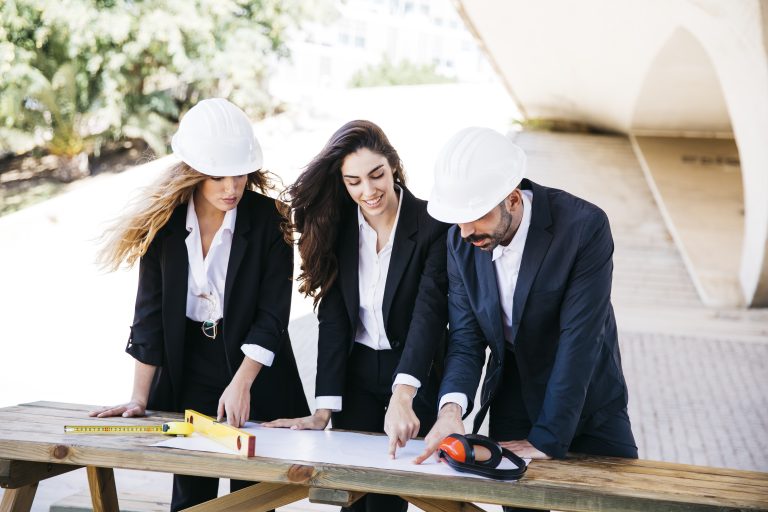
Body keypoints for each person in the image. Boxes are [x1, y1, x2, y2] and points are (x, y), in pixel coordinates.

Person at [91, 98, 309, 511]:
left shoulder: (271, 220)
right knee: (191, 495)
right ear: (193, 172)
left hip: (255, 370)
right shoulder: (164, 224)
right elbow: (149, 314)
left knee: (252, 499)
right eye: (217, 177)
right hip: (189, 367)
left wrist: (243, 383)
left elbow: (272, 316)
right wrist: (139, 397)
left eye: (239, 175)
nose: (231, 188)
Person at [416, 127, 637, 510]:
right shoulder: (460, 242)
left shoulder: (585, 227)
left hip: (588, 399)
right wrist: (451, 411)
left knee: (622, 504)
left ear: (513, 199)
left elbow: (579, 340)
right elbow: (466, 339)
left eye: (475, 216)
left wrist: (548, 439)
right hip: (514, 397)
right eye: (458, 219)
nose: (465, 231)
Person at [264, 120, 449, 512]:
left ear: (393, 165)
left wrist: (406, 393)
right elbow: (333, 320)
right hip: (357, 373)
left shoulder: (432, 225)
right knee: (352, 495)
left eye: (376, 174)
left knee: (389, 495)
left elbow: (428, 317)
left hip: (414, 371)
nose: (368, 191)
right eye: (354, 182)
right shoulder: (336, 229)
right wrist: (322, 409)